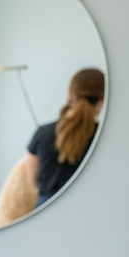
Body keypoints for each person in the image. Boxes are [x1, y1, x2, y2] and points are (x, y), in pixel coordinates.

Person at [24, 68, 105, 207]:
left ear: (69, 94)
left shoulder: (43, 132)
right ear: (103, 99)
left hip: (45, 210)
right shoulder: (104, 136)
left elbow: (32, 179)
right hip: (88, 208)